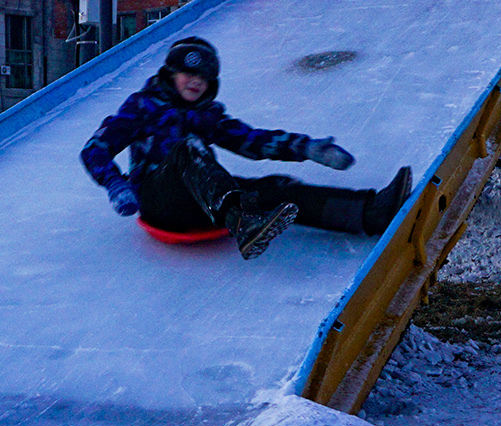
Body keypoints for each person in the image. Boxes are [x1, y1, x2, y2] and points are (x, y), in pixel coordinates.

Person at [80, 37, 413, 260]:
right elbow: (94, 149)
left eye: (205, 77)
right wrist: (116, 184)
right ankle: (241, 222)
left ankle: (369, 212)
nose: (196, 81)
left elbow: (251, 141)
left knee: (276, 188)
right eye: (188, 73)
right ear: (171, 73)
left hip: (205, 204)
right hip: (159, 201)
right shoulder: (142, 106)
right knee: (188, 148)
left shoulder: (207, 115)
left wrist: (305, 147)